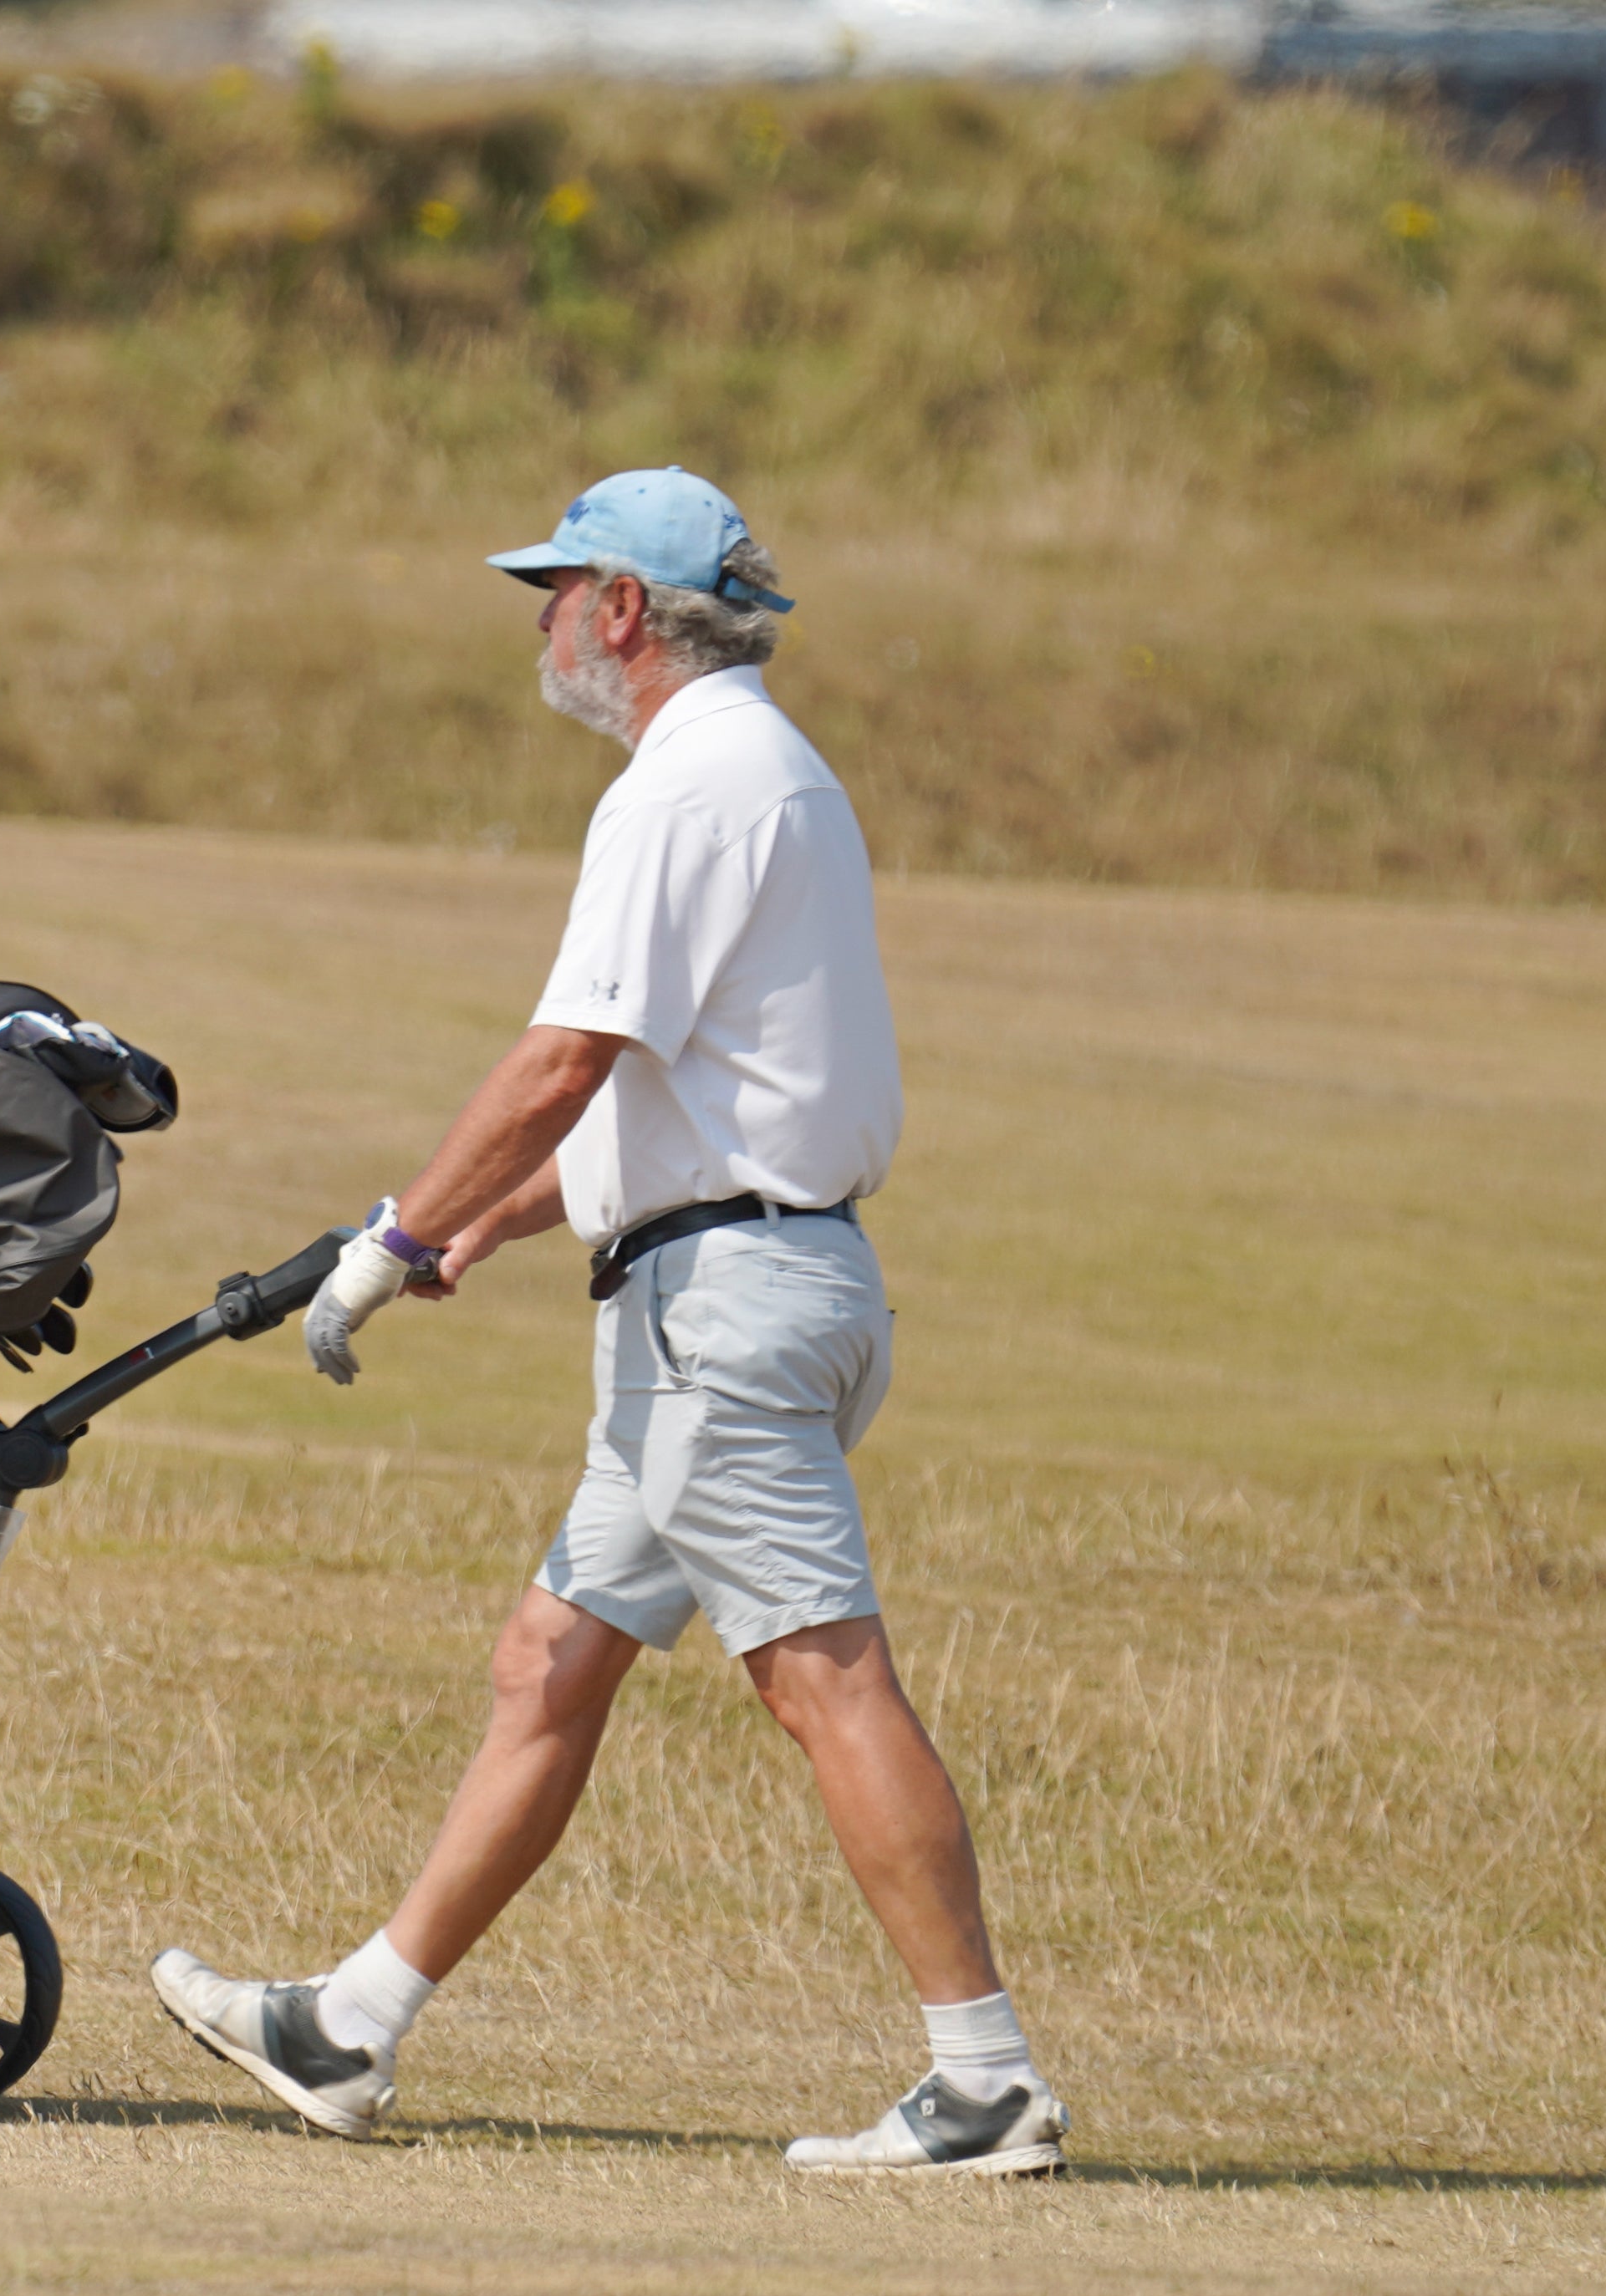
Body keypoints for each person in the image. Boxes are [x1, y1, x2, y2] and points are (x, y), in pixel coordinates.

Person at [150, 468, 1068, 2176]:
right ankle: (349, 2023)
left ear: (625, 612)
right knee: (550, 1664)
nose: (544, 620)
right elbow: (670, 1100)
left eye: (557, 589)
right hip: (755, 1282)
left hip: (721, 1312)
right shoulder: (770, 770)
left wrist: (397, 1230)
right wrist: (470, 1237)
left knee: (819, 1676)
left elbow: (563, 1059)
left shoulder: (683, 787)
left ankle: (986, 2081)